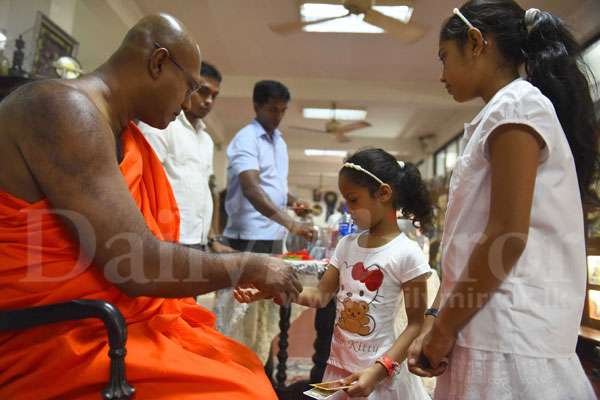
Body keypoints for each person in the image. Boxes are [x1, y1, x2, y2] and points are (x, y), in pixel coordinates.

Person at [0, 14, 302, 400]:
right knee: (243, 391)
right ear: (158, 62)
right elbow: (135, 262)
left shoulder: (120, 132)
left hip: (105, 319)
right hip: (55, 335)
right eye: (189, 86)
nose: (190, 100)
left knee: (241, 364)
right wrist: (251, 265)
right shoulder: (63, 108)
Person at [407, 2, 599, 399]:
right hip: (488, 321)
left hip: (508, 329)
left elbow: (507, 235)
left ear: (476, 43)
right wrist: (436, 319)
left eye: (445, 57)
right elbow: (470, 237)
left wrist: (443, 329)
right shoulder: (504, 112)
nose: (441, 74)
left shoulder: (517, 107)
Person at [237, 148, 434, 399]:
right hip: (339, 370)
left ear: (383, 193)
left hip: (380, 376)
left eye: (353, 199)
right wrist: (276, 289)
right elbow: (320, 296)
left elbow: (416, 325)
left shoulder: (407, 253)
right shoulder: (347, 245)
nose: (347, 209)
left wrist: (378, 370)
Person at [216, 80, 313, 362]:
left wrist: (293, 201)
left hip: (271, 236)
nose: (278, 116)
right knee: (240, 312)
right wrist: (292, 224)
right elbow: (252, 188)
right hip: (247, 235)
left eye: (283, 110)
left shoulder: (279, 141)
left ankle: (260, 367)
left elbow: (274, 186)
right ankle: (234, 368)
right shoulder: (246, 139)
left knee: (267, 310)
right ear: (256, 106)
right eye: (272, 109)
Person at [139, 61, 232, 253]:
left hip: (199, 240)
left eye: (214, 96)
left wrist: (212, 238)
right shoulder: (160, 125)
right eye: (203, 92)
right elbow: (143, 185)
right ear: (188, 87)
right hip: (165, 239)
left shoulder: (206, 140)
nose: (209, 101)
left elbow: (207, 190)